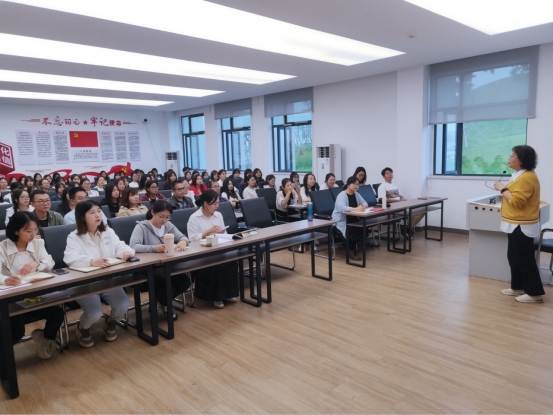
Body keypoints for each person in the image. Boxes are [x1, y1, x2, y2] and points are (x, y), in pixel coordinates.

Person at [64, 201, 134, 347]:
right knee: (95, 312)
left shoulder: (108, 231)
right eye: (92, 212)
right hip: (86, 283)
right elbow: (70, 258)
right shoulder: (74, 236)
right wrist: (91, 261)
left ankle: (111, 321)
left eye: (99, 211)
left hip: (108, 279)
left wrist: (125, 252)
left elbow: (120, 245)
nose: (97, 215)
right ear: (82, 217)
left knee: (123, 305)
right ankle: (82, 328)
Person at [0, 212, 63, 359]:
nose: (33, 234)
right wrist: (6, 280)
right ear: (16, 231)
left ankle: (45, 338)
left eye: (35, 230)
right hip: (13, 299)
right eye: (28, 231)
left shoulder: (37, 243)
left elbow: (50, 262)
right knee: (16, 330)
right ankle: (5, 359)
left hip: (36, 293)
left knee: (57, 313)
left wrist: (37, 264)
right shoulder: (3, 248)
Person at [494, 145, 545, 303]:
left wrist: (502, 189)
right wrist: (505, 191)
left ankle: (535, 293)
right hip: (514, 223)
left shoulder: (527, 178)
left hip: (522, 225)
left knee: (524, 260)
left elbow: (517, 201)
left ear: (522, 160)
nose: (509, 158)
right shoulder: (518, 175)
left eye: (513, 155)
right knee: (514, 257)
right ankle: (517, 287)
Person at [130, 200, 190, 320]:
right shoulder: (142, 226)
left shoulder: (168, 225)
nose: (164, 220)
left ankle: (159, 301)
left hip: (165, 265)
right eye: (161, 216)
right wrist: (154, 248)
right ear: (153, 212)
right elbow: (133, 246)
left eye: (168, 217)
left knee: (184, 282)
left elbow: (182, 237)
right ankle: (166, 304)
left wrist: (183, 241)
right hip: (147, 268)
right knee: (166, 284)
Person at [187, 190, 239, 309]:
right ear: (206, 204)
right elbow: (192, 240)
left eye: (218, 203)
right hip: (202, 252)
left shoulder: (218, 215)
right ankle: (217, 297)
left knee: (231, 262)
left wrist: (221, 233)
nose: (217, 206)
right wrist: (208, 232)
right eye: (214, 204)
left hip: (219, 247)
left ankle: (229, 293)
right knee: (217, 265)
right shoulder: (194, 218)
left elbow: (224, 233)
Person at [377, 167, 424, 239]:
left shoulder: (395, 184)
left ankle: (407, 229)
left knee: (422, 211)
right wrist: (398, 201)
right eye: (387, 173)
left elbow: (401, 196)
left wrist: (401, 199)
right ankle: (407, 230)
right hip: (392, 207)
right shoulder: (382, 186)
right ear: (383, 176)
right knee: (412, 213)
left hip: (401, 204)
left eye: (391, 173)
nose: (390, 174)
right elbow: (383, 200)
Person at [331, 176, 368, 261]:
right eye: (354, 184)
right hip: (341, 221)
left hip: (353, 218)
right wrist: (356, 209)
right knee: (352, 229)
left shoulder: (356, 194)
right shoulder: (342, 195)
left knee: (363, 227)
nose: (356, 186)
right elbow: (341, 208)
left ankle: (354, 248)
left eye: (357, 184)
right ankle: (350, 251)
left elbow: (365, 203)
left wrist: (362, 206)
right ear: (348, 185)